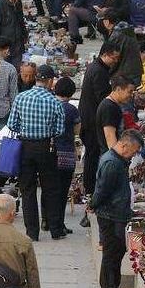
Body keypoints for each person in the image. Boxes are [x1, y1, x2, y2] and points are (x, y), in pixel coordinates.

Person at [7, 65, 65, 241]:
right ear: (49, 81)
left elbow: (12, 124)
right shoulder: (55, 102)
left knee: (28, 190)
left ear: (36, 79)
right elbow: (60, 130)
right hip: (46, 148)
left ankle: (32, 232)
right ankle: (55, 229)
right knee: (50, 189)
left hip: (25, 147)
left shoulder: (21, 97)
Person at [89, 129, 143, 288]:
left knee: (117, 252)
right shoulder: (112, 163)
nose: (134, 154)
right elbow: (103, 190)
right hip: (110, 215)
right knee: (111, 253)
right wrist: (94, 204)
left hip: (115, 214)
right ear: (125, 145)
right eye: (134, 150)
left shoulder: (117, 160)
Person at [79, 41, 120, 196]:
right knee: (92, 154)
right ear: (106, 54)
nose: (115, 61)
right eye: (114, 58)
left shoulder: (98, 68)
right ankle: (90, 188)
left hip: (89, 118)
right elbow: (103, 97)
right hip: (92, 121)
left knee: (92, 154)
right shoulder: (99, 71)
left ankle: (90, 186)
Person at [52, 77, 80, 235]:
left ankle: (47, 221)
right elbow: (77, 131)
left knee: (50, 190)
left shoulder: (50, 104)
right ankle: (59, 223)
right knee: (62, 192)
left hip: (51, 153)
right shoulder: (71, 110)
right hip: (67, 154)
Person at [101, 10, 142, 86]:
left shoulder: (116, 35)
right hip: (135, 72)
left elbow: (113, 58)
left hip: (124, 75)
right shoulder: (127, 29)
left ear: (106, 22)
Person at [96, 75, 135, 152]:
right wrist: (116, 158)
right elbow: (110, 137)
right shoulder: (109, 108)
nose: (131, 95)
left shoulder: (113, 105)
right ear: (118, 89)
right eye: (129, 92)